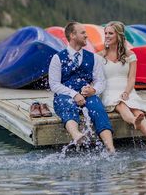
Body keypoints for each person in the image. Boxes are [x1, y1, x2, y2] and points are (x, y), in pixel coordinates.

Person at [48, 21, 115, 153]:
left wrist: (94, 90)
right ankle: (77, 135)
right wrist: (74, 94)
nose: (86, 35)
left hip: (88, 95)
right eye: (83, 32)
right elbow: (54, 84)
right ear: (72, 35)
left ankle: (110, 147)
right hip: (65, 96)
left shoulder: (94, 58)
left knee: (98, 108)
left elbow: (101, 81)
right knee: (66, 105)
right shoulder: (57, 58)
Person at [100, 21, 146, 148]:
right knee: (120, 104)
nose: (107, 36)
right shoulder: (100, 56)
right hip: (109, 91)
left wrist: (127, 92)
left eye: (111, 33)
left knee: (136, 109)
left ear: (119, 35)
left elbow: (132, 78)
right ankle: (133, 121)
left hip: (127, 89)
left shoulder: (130, 55)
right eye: (106, 33)